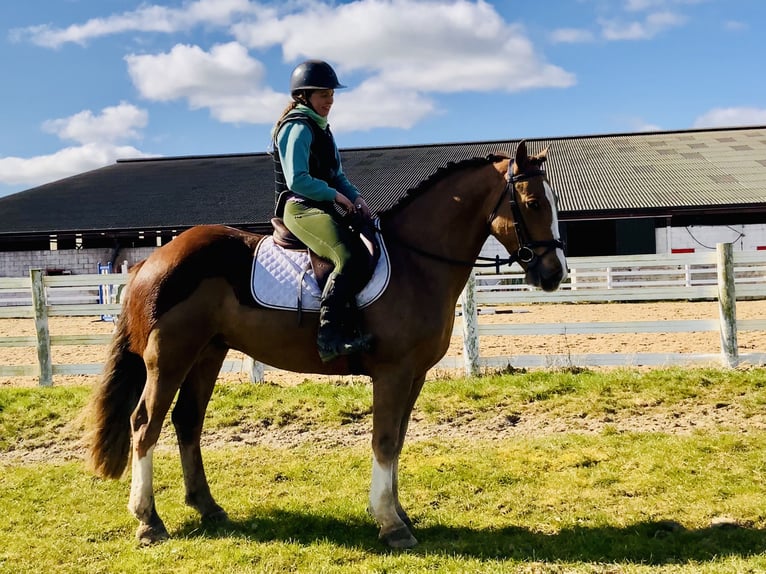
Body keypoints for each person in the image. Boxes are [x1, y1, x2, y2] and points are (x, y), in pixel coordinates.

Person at [271, 59, 374, 363]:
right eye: (323, 95)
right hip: (300, 208)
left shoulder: (323, 129)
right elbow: (298, 180)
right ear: (304, 97)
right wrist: (335, 197)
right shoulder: (297, 128)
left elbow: (337, 175)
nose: (330, 101)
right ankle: (328, 337)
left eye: (332, 94)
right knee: (349, 256)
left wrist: (356, 198)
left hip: (323, 205)